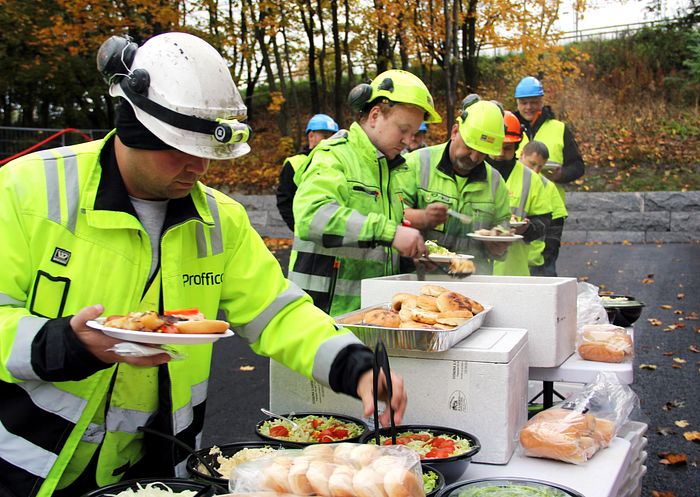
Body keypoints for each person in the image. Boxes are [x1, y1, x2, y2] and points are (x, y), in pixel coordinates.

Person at [0, 33, 406, 497]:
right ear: (135, 126)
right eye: (179, 148)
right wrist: (66, 344)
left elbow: (278, 312)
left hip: (156, 467)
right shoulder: (25, 190)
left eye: (207, 152)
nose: (197, 167)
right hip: (26, 464)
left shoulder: (221, 221)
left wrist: (353, 365)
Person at [289, 70, 440, 316]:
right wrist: (391, 233)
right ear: (375, 115)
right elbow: (312, 217)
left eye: (413, 133)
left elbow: (376, 247)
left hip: (370, 316)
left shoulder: (392, 170)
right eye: (403, 130)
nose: (408, 140)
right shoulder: (334, 156)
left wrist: (409, 256)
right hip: (320, 318)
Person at [399, 95, 512, 274]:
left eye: (483, 152)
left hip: (473, 281)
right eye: (469, 146)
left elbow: (504, 225)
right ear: (454, 131)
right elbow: (391, 214)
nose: (474, 157)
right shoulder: (415, 164)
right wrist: (422, 217)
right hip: (420, 279)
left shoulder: (495, 181)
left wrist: (498, 243)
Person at [486, 110, 552, 276]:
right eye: (497, 147)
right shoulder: (473, 173)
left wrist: (528, 229)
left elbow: (544, 221)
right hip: (474, 269)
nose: (501, 153)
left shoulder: (530, 179)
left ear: (517, 146)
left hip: (512, 272)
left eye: (507, 148)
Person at [513, 76, 585, 202]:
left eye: (534, 102)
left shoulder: (559, 129)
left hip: (552, 207)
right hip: (515, 206)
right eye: (524, 103)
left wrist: (560, 175)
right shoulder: (508, 129)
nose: (529, 107)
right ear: (517, 104)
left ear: (542, 102)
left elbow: (577, 166)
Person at [276, 114, 339, 231]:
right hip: (306, 234)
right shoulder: (295, 164)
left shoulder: (337, 163)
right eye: (325, 136)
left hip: (334, 232)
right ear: (311, 136)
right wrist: (298, 228)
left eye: (332, 136)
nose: (329, 140)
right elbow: (284, 201)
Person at [520, 140, 568, 276]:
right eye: (532, 164)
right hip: (509, 260)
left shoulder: (548, 186)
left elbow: (556, 227)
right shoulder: (505, 179)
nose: (535, 170)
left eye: (540, 167)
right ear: (521, 155)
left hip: (538, 263)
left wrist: (547, 258)